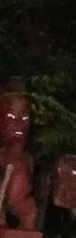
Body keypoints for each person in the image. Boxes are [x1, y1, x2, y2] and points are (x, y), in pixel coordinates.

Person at [0, 90, 37, 230]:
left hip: (19, 201)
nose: (19, 124)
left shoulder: (26, 158)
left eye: (25, 119)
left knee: (29, 212)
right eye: (11, 117)